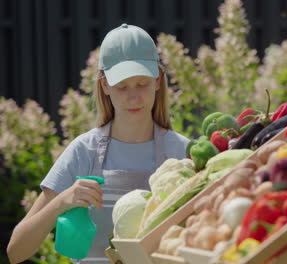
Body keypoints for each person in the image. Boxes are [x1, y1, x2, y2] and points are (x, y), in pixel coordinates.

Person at [7, 24, 189, 264]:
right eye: (122, 87)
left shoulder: (182, 152)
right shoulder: (83, 151)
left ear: (158, 79)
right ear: (104, 85)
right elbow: (16, 251)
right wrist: (62, 202)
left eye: (142, 83)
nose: (133, 97)